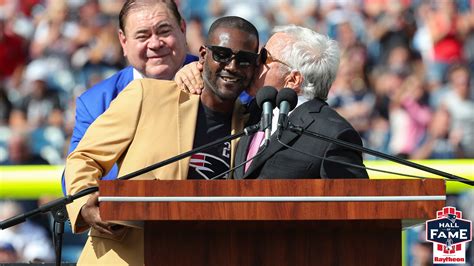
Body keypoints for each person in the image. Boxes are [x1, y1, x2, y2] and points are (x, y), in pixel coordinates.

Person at [64, 16, 259, 264]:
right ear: (202, 55)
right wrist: (84, 204)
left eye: (244, 60)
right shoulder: (146, 95)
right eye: (221, 54)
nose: (232, 66)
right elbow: (85, 157)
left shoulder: (252, 124)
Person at [179, 25, 369, 179]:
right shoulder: (252, 111)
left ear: (293, 79)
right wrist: (190, 71)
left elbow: (355, 212)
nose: (254, 64)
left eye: (263, 58)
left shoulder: (332, 134)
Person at [61, 0, 198, 194]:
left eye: (164, 31)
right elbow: (75, 180)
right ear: (123, 42)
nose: (155, 43)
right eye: (142, 36)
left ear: (182, 29)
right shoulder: (97, 102)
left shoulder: (216, 81)